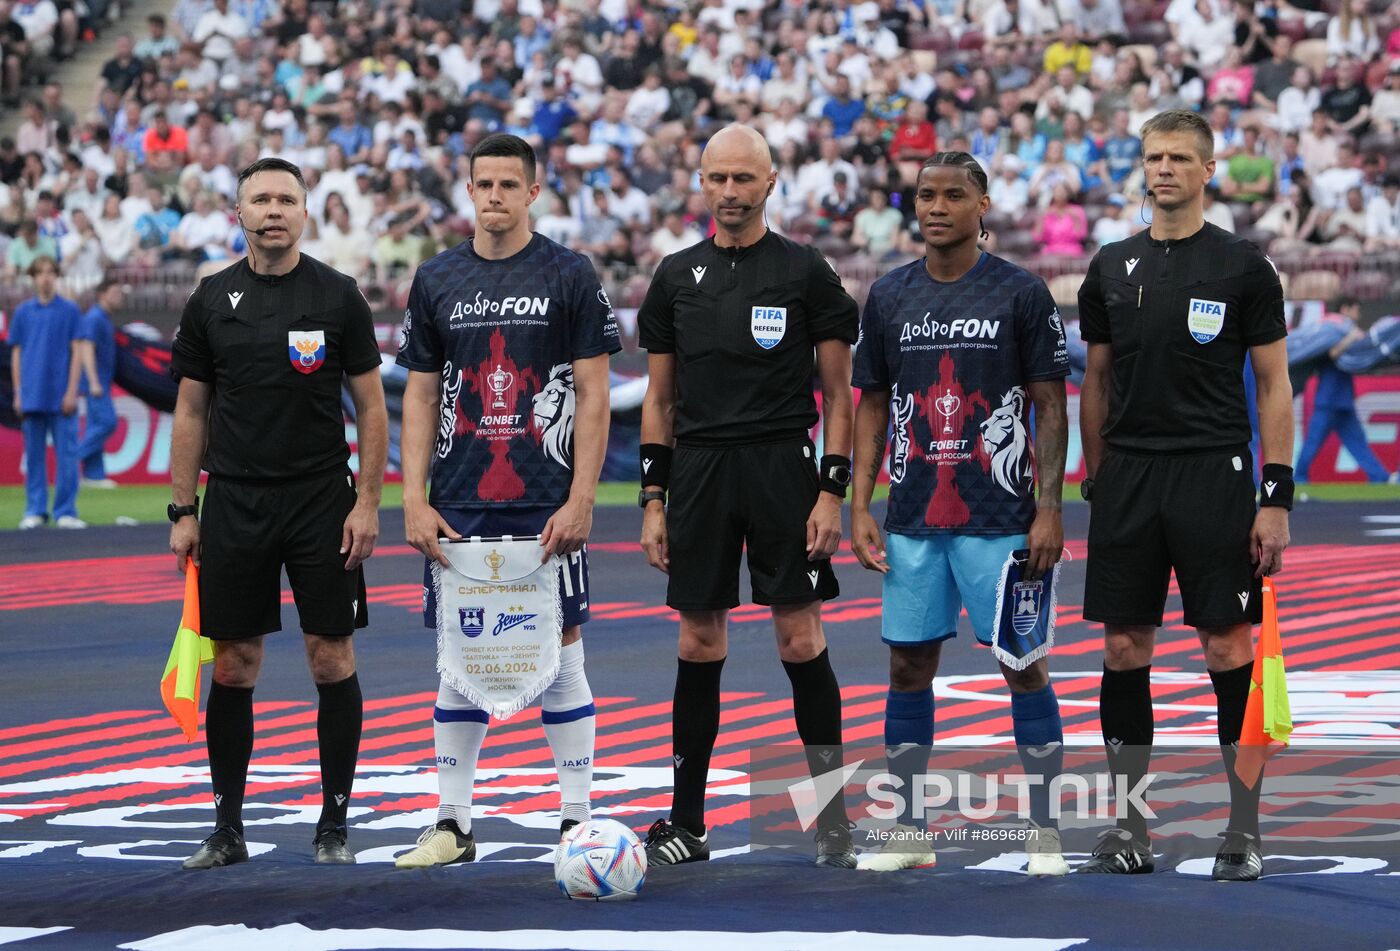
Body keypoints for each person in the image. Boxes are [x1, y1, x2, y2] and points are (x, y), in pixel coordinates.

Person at [392, 133, 620, 868]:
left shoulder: (570, 273)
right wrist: (413, 497)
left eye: (506, 184)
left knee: (561, 649)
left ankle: (575, 821)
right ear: (469, 190)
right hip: (458, 502)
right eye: (482, 183)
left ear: (533, 191)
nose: (493, 196)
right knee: (458, 654)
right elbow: (420, 393)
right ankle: (452, 822)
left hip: (546, 497)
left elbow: (593, 394)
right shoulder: (436, 278)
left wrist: (583, 495)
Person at [637, 124, 860, 868]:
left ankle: (833, 820)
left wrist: (831, 493)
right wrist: (653, 498)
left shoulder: (804, 270)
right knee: (699, 639)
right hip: (699, 469)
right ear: (702, 184)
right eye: (717, 179)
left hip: (780, 467)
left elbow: (837, 393)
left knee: (800, 636)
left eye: (743, 179)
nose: (730, 192)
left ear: (770, 183)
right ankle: (688, 820)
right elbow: (660, 401)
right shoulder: (674, 277)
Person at [1077, 110, 1292, 882]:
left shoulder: (1243, 266)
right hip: (1130, 477)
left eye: (1177, 158)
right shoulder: (1109, 264)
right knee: (1122, 647)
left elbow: (1273, 385)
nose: (1161, 169)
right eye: (1152, 157)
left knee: (1227, 647)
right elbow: (1096, 380)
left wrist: (1277, 496)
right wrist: (1097, 474)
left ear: (1207, 171)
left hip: (1214, 473)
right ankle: (1130, 826)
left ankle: (1243, 829)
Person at [850, 151, 1071, 875]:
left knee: (1023, 664)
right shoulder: (888, 295)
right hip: (913, 517)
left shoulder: (1021, 291)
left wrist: (1049, 509)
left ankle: (1044, 831)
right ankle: (909, 830)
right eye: (925, 195)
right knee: (908, 666)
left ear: (983, 205)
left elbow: (1048, 403)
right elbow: (873, 404)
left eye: (952, 195)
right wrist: (859, 503)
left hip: (1002, 516)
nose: (936, 207)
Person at [169, 157, 388, 870]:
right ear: (238, 213)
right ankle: (227, 827)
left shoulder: (338, 295)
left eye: (285, 199)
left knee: (331, 656)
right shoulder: (209, 300)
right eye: (259, 198)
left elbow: (372, 404)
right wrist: (182, 507)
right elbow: (191, 408)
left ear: (304, 213)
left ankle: (334, 824)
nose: (273, 210)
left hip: (321, 498)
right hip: (233, 499)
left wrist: (367, 501)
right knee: (233, 665)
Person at [9, 256, 87, 530]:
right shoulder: (22, 312)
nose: (45, 277)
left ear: (56, 276)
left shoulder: (69, 310)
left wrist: (72, 390)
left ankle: (66, 510)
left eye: (50, 272)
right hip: (32, 393)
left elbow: (77, 352)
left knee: (67, 456)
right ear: (33, 277)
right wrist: (18, 391)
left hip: (60, 393)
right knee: (34, 457)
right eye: (40, 272)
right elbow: (16, 354)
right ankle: (36, 510)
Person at [1296, 299, 1395, 483]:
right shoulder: (1331, 331)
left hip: (1343, 399)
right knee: (1313, 442)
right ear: (1345, 309)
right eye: (1356, 309)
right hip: (1327, 399)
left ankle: (1379, 477)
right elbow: (1334, 352)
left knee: (1358, 442)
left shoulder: (1344, 329)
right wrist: (1351, 337)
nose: (1359, 314)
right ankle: (1298, 477)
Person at [77, 279, 122, 489]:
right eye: (115, 291)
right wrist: (94, 381)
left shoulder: (101, 317)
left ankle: (93, 475)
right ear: (102, 294)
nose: (120, 296)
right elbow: (86, 347)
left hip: (101, 380)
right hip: (96, 383)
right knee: (107, 422)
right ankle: (71, 458)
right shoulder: (94, 317)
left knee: (96, 425)